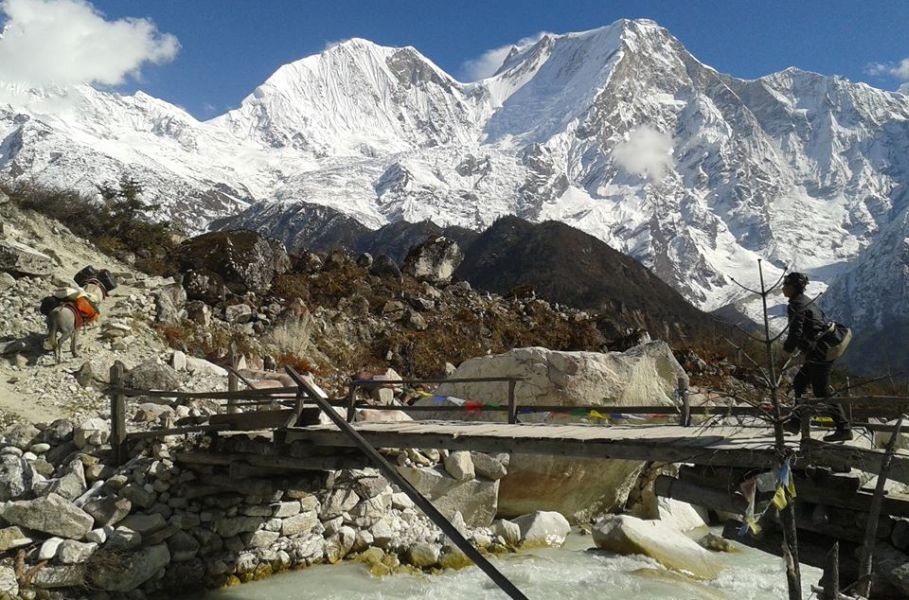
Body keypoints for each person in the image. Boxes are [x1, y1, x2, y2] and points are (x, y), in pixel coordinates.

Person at [781, 272, 852, 442]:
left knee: (822, 390)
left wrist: (787, 349)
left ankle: (844, 428)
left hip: (820, 352)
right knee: (800, 382)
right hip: (823, 348)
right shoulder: (805, 300)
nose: (783, 288)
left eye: (785, 285)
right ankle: (795, 422)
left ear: (792, 287)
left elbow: (795, 332)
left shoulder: (795, 305)